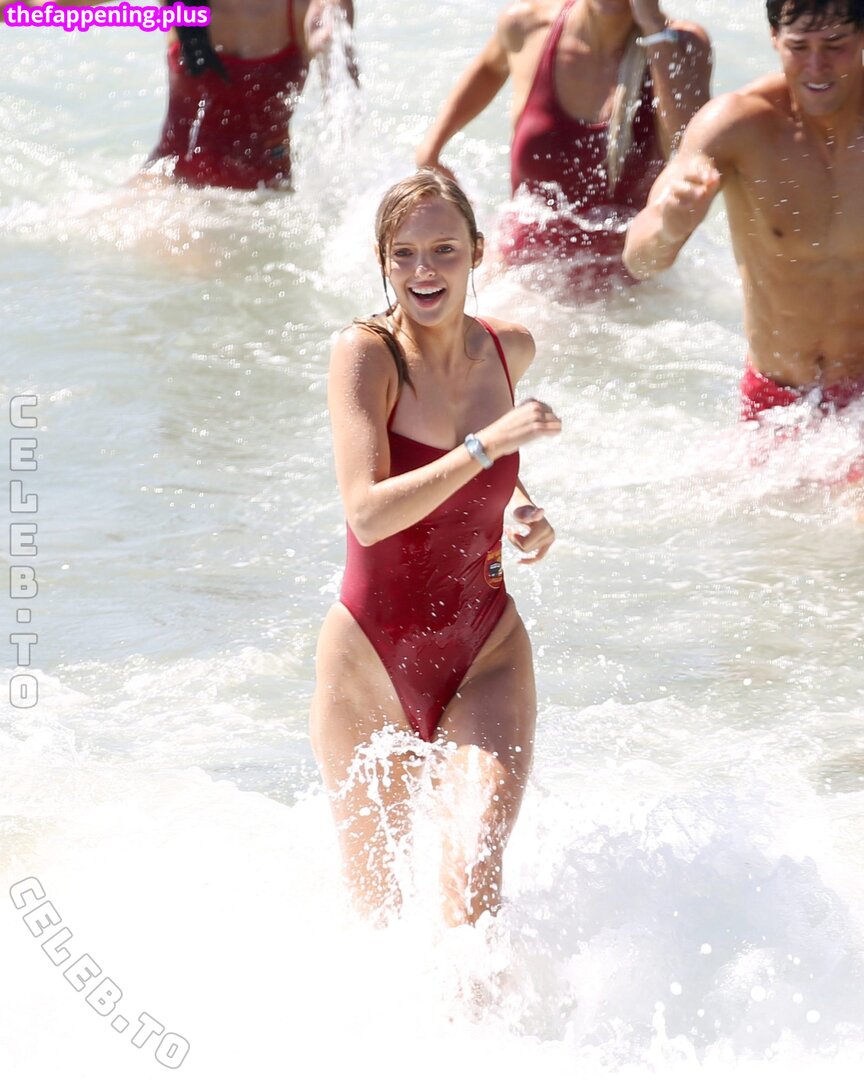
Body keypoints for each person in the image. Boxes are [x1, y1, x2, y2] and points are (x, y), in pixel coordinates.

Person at [310, 170, 561, 927]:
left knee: (473, 877)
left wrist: (520, 508)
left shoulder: (507, 348)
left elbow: (484, 470)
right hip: (369, 664)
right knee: (377, 920)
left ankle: (491, 1008)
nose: (425, 270)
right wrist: (488, 448)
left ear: (477, 251)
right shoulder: (367, 354)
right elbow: (367, 514)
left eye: (445, 250)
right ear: (383, 261)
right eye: (405, 253)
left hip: (485, 648)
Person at [623, 0, 864, 441]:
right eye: (799, 46)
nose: (817, 66)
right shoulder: (736, 124)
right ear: (774, 38)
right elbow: (639, 259)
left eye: (835, 44)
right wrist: (671, 227)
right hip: (776, 402)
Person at [416, 0, 711, 292]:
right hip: (518, 280)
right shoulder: (527, 25)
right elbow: (491, 68)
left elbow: (688, 141)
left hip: (626, 296)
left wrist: (654, 29)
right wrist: (432, 148)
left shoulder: (679, 46)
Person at [7, 0, 355, 189]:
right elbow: (43, 6)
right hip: (168, 189)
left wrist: (330, 41)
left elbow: (347, 109)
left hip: (264, 200)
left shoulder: (312, 7)